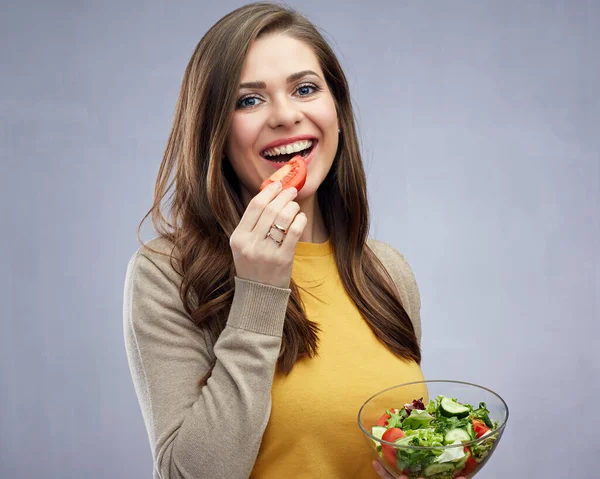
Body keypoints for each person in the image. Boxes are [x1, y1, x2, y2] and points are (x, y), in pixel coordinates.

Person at [123, 3, 463, 478]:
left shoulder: (387, 271)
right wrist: (259, 293)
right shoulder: (167, 273)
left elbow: (395, 451)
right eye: (249, 100)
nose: (286, 116)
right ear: (214, 132)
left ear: (337, 112)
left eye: (305, 89)